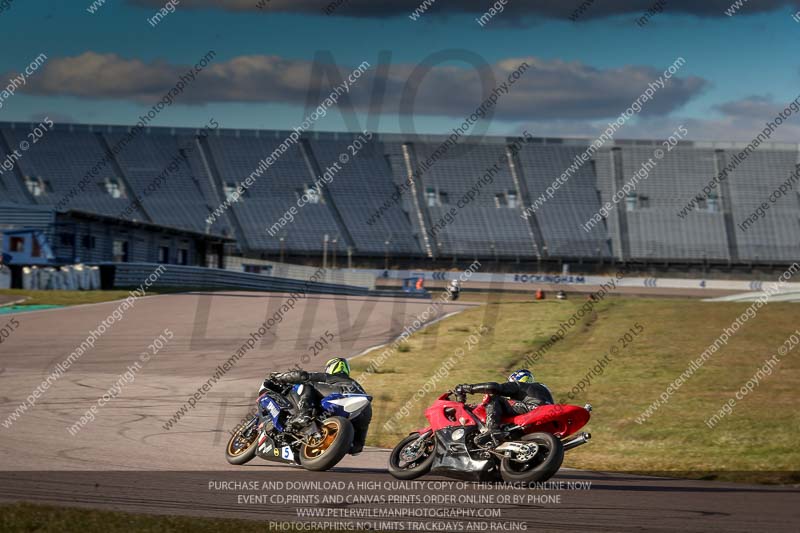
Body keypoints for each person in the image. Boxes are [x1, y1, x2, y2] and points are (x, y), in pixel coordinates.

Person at [268, 357, 372, 455]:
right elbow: (357, 450)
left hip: (343, 396)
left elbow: (303, 376)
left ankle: (304, 414)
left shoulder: (334, 378)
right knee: (357, 446)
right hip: (365, 410)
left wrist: (280, 377)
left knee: (306, 384)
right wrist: (344, 445)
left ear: (331, 367)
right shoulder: (356, 385)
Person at [455, 369, 554, 445]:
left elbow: (493, 387)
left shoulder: (520, 386)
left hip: (533, 409)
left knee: (494, 398)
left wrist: (468, 388)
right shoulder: (542, 388)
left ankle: (492, 430)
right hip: (546, 416)